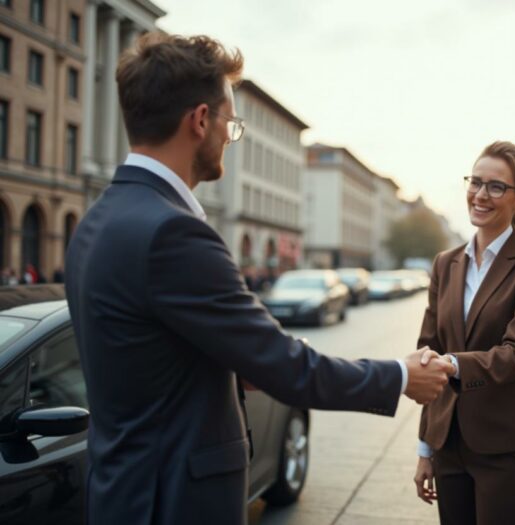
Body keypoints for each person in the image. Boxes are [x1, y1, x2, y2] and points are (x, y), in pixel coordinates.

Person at [64, 33, 454, 525]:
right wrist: (400, 376)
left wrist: (235, 360)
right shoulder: (174, 232)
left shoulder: (96, 220)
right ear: (200, 120)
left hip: (123, 495)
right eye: (230, 122)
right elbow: (286, 367)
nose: (230, 134)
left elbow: (148, 357)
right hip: (175, 503)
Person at [412, 141, 515, 525]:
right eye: (475, 182)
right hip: (448, 446)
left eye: (496, 186)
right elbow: (429, 353)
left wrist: (453, 364)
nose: (480, 194)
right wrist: (426, 448)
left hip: (505, 447)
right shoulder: (445, 264)